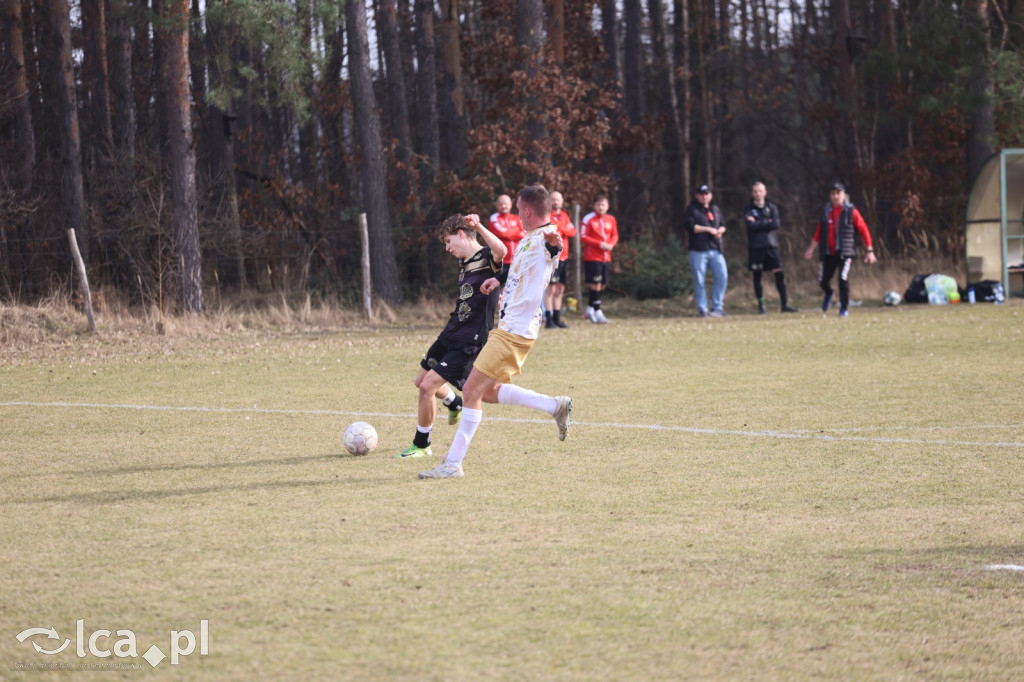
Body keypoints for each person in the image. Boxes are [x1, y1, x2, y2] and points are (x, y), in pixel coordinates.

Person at [419, 184, 572, 479]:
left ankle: (452, 464)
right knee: (487, 392)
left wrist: (556, 244)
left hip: (515, 331)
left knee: (471, 390)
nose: (516, 212)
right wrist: (498, 280)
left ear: (527, 210)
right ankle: (555, 405)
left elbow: (553, 252)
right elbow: (517, 268)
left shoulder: (545, 237)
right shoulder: (529, 238)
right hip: (510, 328)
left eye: (517, 208)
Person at [397, 213, 507, 459]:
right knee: (420, 381)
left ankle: (422, 444)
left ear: (461, 234)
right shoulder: (464, 263)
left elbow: (502, 249)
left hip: (470, 338)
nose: (447, 248)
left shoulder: (487, 258)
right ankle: (454, 403)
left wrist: (477, 226)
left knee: (427, 387)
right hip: (451, 331)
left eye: (448, 242)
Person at [803, 182, 877, 317]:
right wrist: (811, 249)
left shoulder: (851, 211)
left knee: (842, 279)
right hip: (828, 253)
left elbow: (863, 230)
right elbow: (819, 231)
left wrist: (870, 251)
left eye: (838, 193)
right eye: (833, 193)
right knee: (823, 281)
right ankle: (829, 293)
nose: (835, 196)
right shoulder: (826, 211)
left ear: (844, 195)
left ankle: (843, 308)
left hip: (845, 253)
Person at [745, 182, 798, 314]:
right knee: (757, 277)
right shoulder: (749, 208)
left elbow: (776, 224)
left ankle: (784, 304)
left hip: (771, 246)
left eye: (760, 191)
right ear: (752, 193)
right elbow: (751, 226)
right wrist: (766, 222)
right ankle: (761, 305)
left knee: (779, 274)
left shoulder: (771, 207)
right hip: (756, 247)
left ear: (765, 192)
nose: (758, 194)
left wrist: (759, 223)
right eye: (755, 191)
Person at [683, 184, 728, 317]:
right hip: (698, 250)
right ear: (697, 195)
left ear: (711, 195)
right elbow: (690, 227)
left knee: (722, 276)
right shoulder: (692, 209)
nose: (704, 196)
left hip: (715, 249)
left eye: (707, 194)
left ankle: (717, 307)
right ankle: (703, 308)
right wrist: (708, 229)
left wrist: (720, 231)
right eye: (702, 194)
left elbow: (723, 225)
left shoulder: (715, 209)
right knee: (699, 279)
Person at [579, 194, 618, 323]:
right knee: (595, 284)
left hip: (606, 257)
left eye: (603, 204)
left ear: (608, 206)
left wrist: (611, 244)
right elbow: (583, 236)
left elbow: (614, 235)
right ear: (594, 206)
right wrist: (599, 244)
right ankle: (598, 311)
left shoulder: (611, 219)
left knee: (601, 285)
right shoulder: (588, 219)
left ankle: (589, 310)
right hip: (593, 256)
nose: (601, 207)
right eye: (598, 204)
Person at [544, 191, 577, 329]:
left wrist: (559, 227)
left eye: (558, 199)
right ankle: (549, 319)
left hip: (565, 256)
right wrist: (561, 229)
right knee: (550, 289)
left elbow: (572, 232)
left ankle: (557, 318)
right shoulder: (546, 215)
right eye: (553, 199)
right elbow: (550, 232)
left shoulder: (564, 216)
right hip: (553, 257)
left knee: (560, 289)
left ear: (562, 200)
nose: (556, 202)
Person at [488, 193, 526, 275]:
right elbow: (502, 233)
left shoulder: (517, 218)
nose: (503, 206)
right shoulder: (494, 218)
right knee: (501, 285)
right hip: (500, 260)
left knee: (517, 286)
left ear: (511, 205)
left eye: (505, 204)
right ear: (497, 205)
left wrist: (509, 233)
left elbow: (525, 234)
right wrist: (516, 230)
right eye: (501, 204)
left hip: (518, 260)